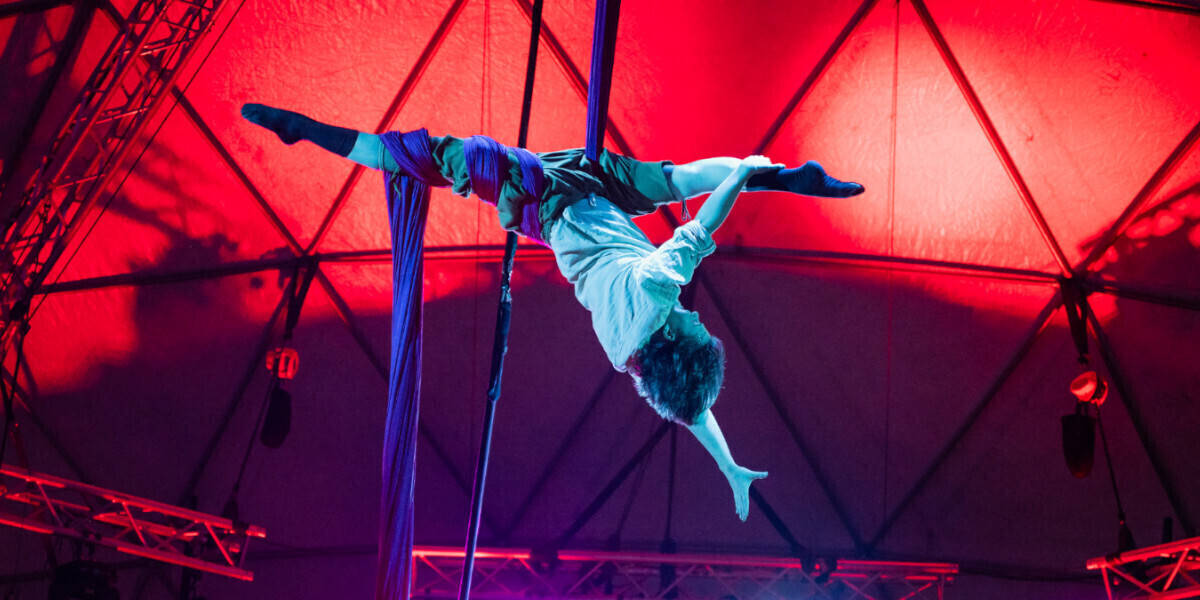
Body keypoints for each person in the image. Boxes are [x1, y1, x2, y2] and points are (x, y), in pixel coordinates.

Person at [241, 103, 864, 521]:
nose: (702, 321)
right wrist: (727, 466)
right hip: (585, 207)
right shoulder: (633, 358)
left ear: (677, 339)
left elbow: (706, 224)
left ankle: (312, 131)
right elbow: (691, 409)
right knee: (667, 180)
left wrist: (749, 172)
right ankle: (787, 177)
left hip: (558, 190)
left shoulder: (656, 289)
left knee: (451, 158)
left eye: (698, 331)